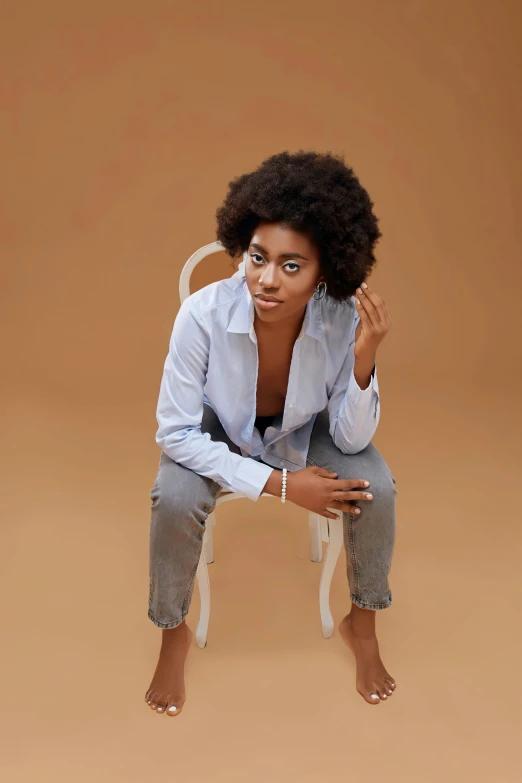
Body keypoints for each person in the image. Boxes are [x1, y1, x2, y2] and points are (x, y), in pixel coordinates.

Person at [145, 150, 397, 717]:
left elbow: (351, 442)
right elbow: (176, 432)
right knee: (174, 498)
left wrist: (364, 359)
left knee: (375, 485)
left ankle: (364, 621)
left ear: (325, 270)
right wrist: (281, 486)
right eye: (258, 257)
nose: (265, 278)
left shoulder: (339, 319)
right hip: (219, 428)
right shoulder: (202, 315)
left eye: (291, 265)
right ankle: (172, 632)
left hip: (304, 430)